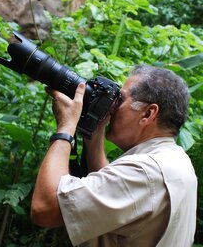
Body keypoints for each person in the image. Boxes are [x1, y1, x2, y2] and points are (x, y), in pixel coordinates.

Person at [31, 64, 197, 246]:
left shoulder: (146, 172)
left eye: (120, 99)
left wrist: (66, 126)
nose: (112, 107)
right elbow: (112, 188)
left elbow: (46, 209)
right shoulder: (173, 160)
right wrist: (94, 131)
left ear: (148, 113)